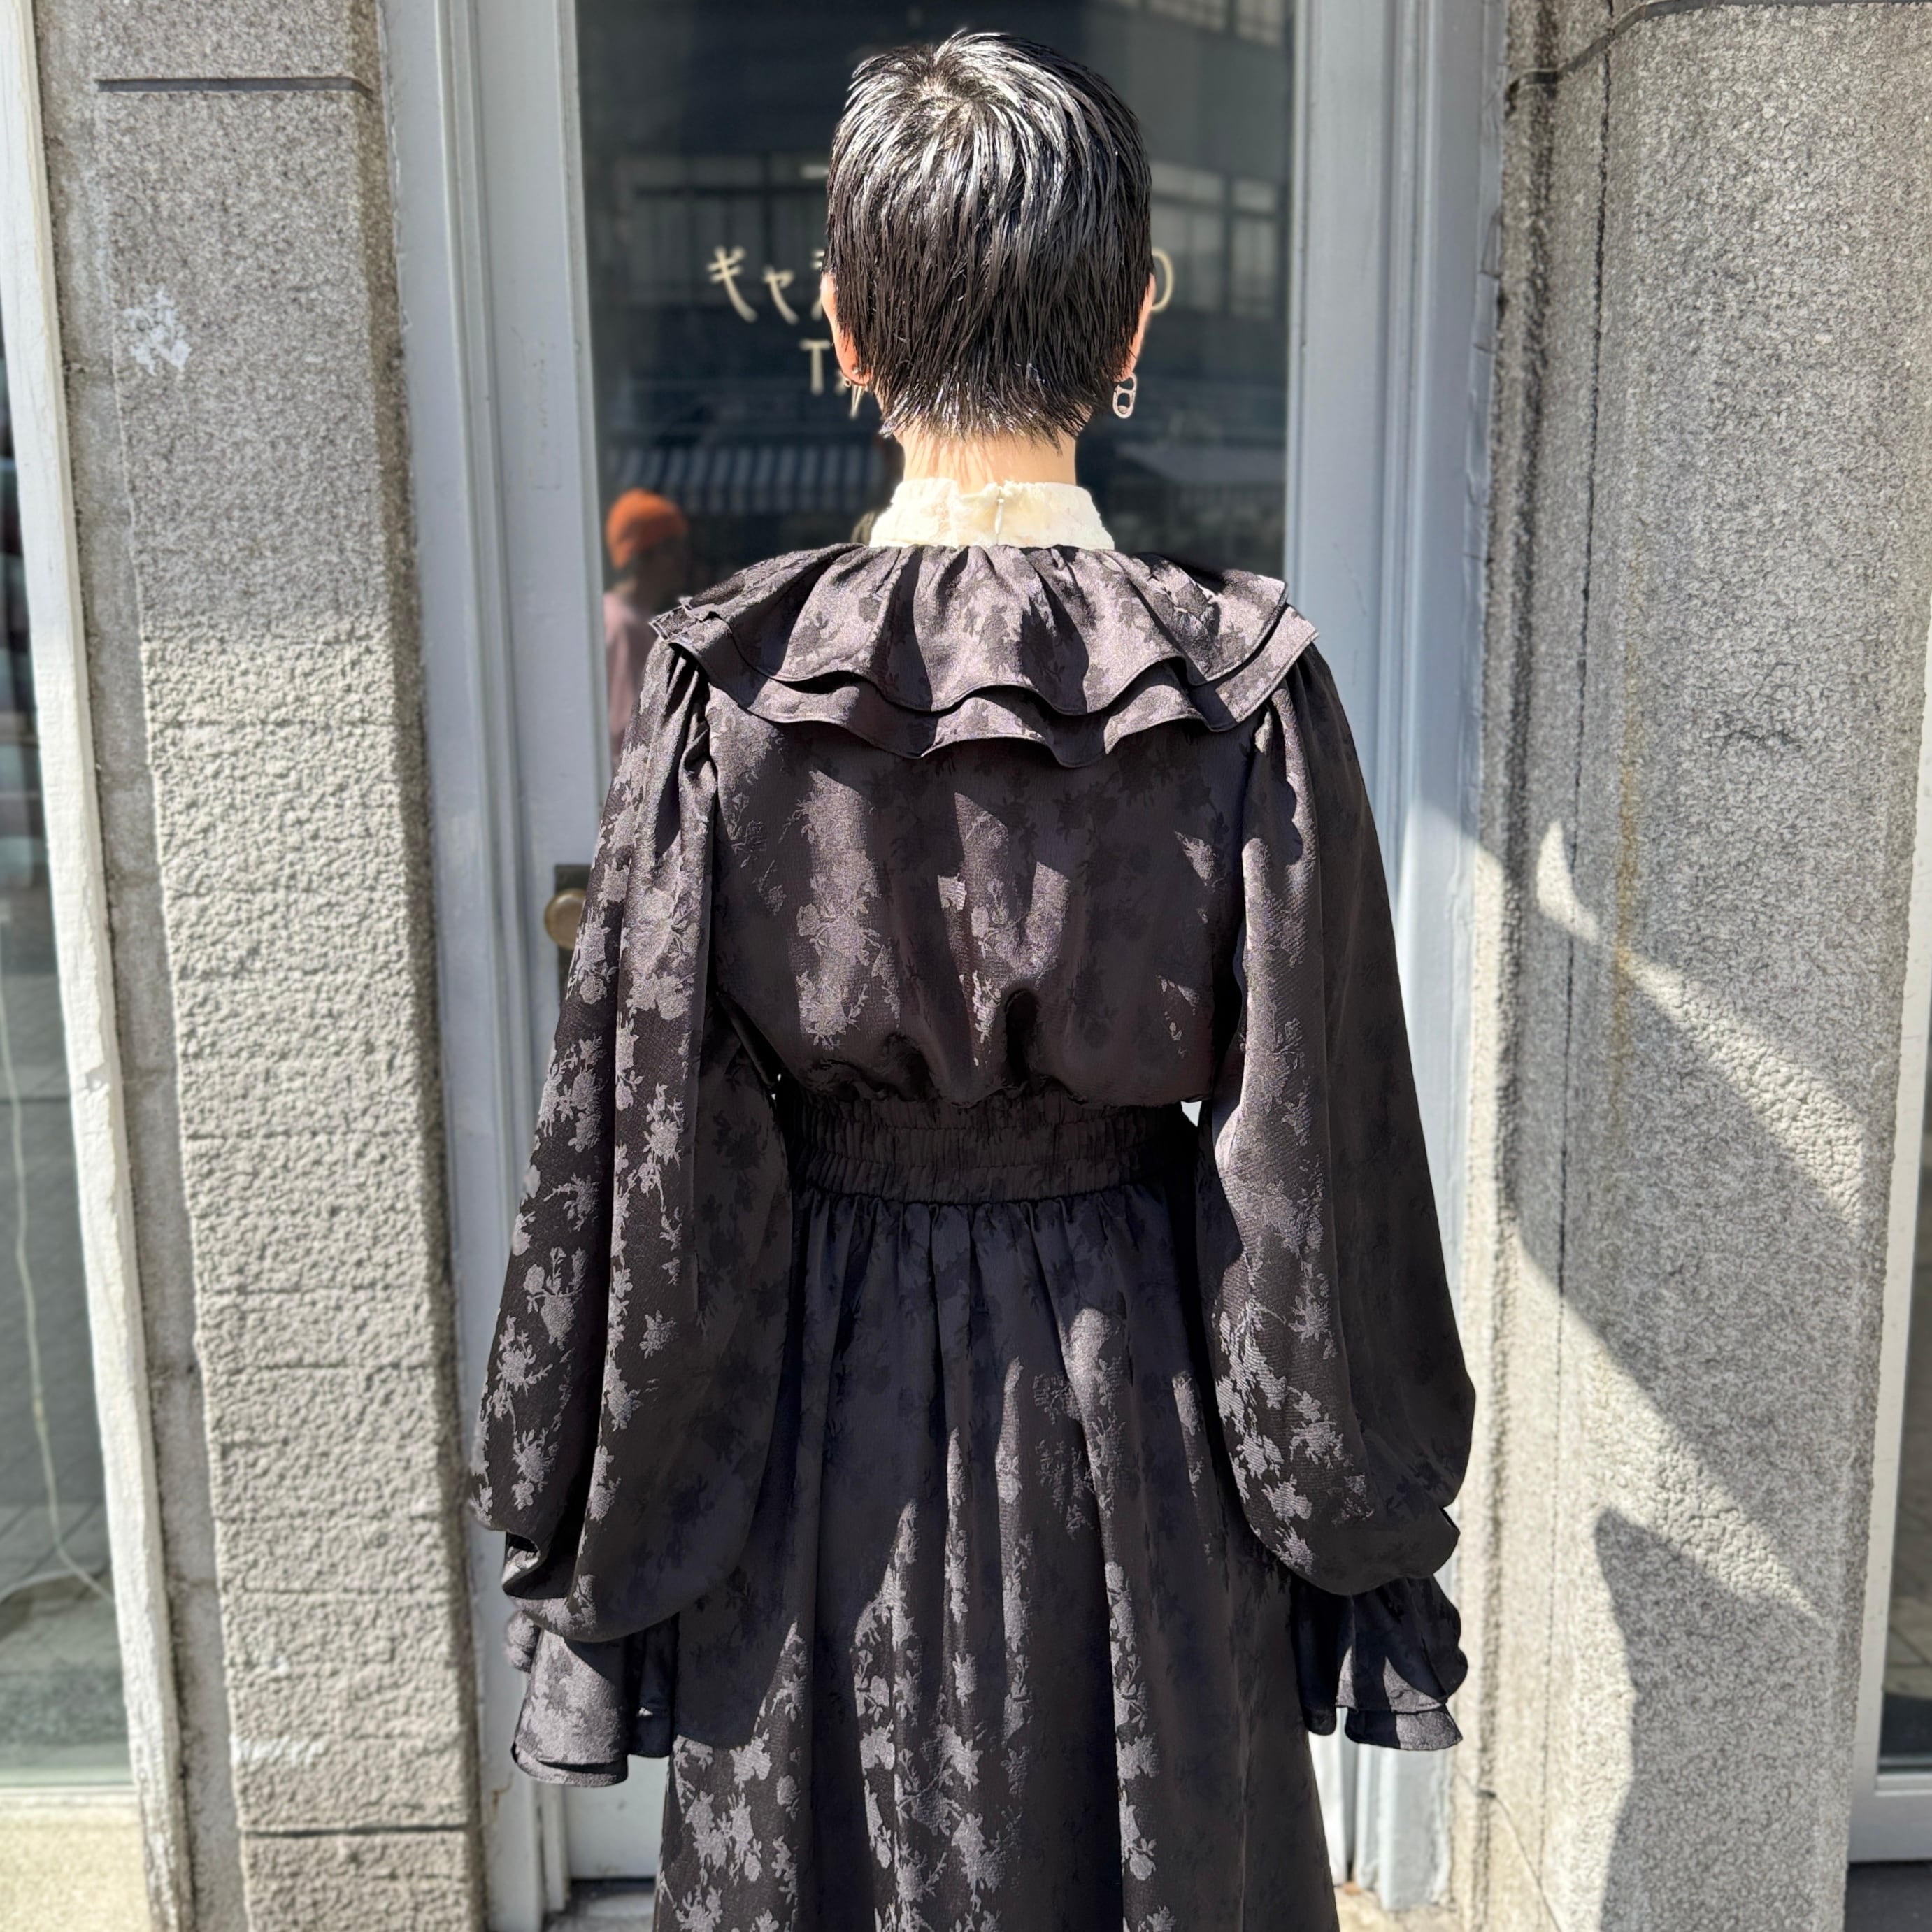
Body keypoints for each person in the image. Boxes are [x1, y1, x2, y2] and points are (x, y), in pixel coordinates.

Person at [475, 33, 1472, 1930]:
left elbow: (645, 1160)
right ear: (1137, 323)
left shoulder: (723, 685)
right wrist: (1347, 1502)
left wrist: (613, 1492)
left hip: (815, 1413)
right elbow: (1310, 1167)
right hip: (1142, 1402)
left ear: (843, 329)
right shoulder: (1240, 686)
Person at [602, 487, 689, 769]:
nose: (683, 558)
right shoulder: (622, 624)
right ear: (643, 556)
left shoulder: (630, 618)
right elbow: (630, 729)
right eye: (672, 548)